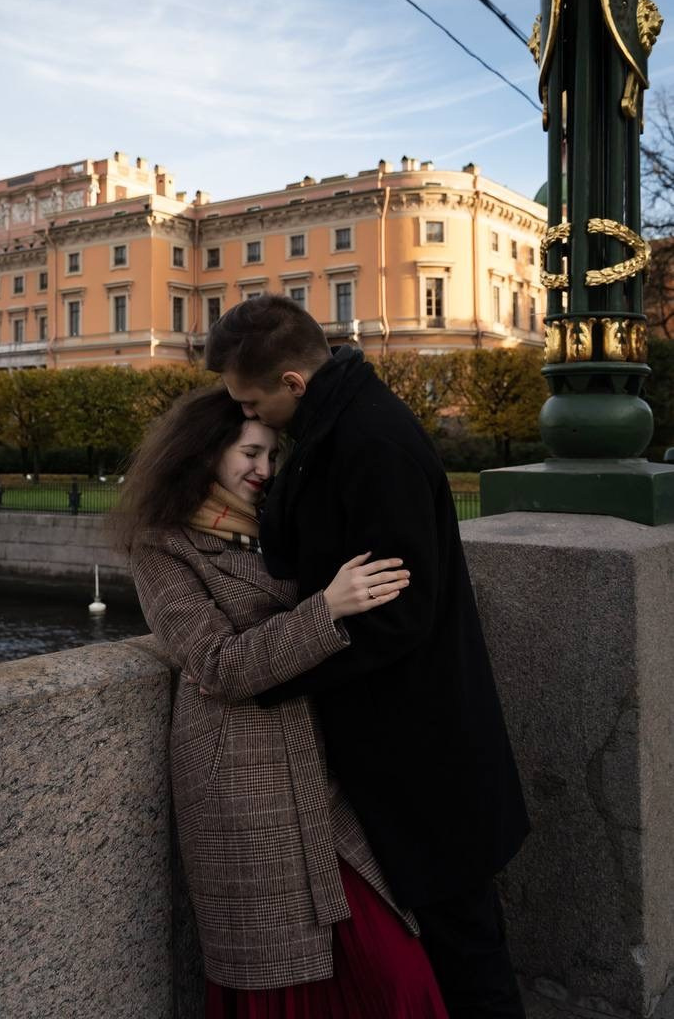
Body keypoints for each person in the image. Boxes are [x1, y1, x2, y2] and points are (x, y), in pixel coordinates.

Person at [205, 294, 530, 1019]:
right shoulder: (338, 428)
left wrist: (272, 673)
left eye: (252, 399)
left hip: (422, 748)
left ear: (292, 382)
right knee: (449, 944)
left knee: (466, 952)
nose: (247, 416)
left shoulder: (368, 442)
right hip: (403, 746)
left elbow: (399, 614)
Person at [122, 384, 449, 1017]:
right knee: (280, 971)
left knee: (393, 966)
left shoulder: (280, 522)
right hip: (241, 782)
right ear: (205, 453)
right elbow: (219, 665)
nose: (263, 470)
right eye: (249, 453)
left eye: (273, 454)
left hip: (321, 761)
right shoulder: (162, 546)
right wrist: (326, 607)